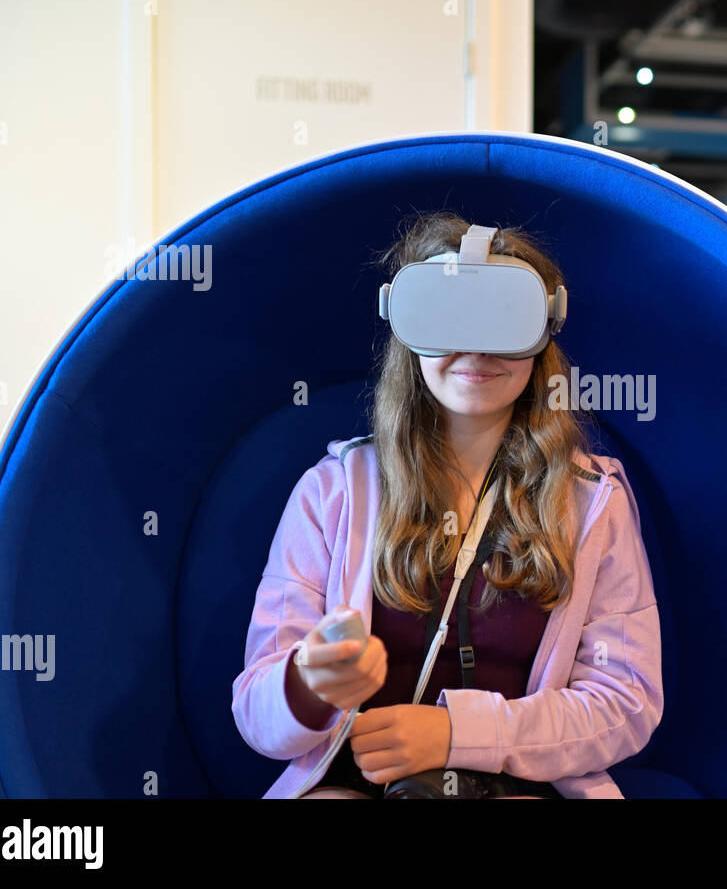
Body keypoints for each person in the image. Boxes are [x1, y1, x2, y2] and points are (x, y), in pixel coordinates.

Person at [231, 211, 663, 798]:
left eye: (504, 320)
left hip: (518, 785)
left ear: (542, 336)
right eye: (449, 317)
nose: (475, 349)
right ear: (408, 331)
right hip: (354, 784)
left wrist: (458, 734)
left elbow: (624, 702)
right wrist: (308, 681)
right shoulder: (331, 493)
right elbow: (258, 716)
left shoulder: (591, 504)